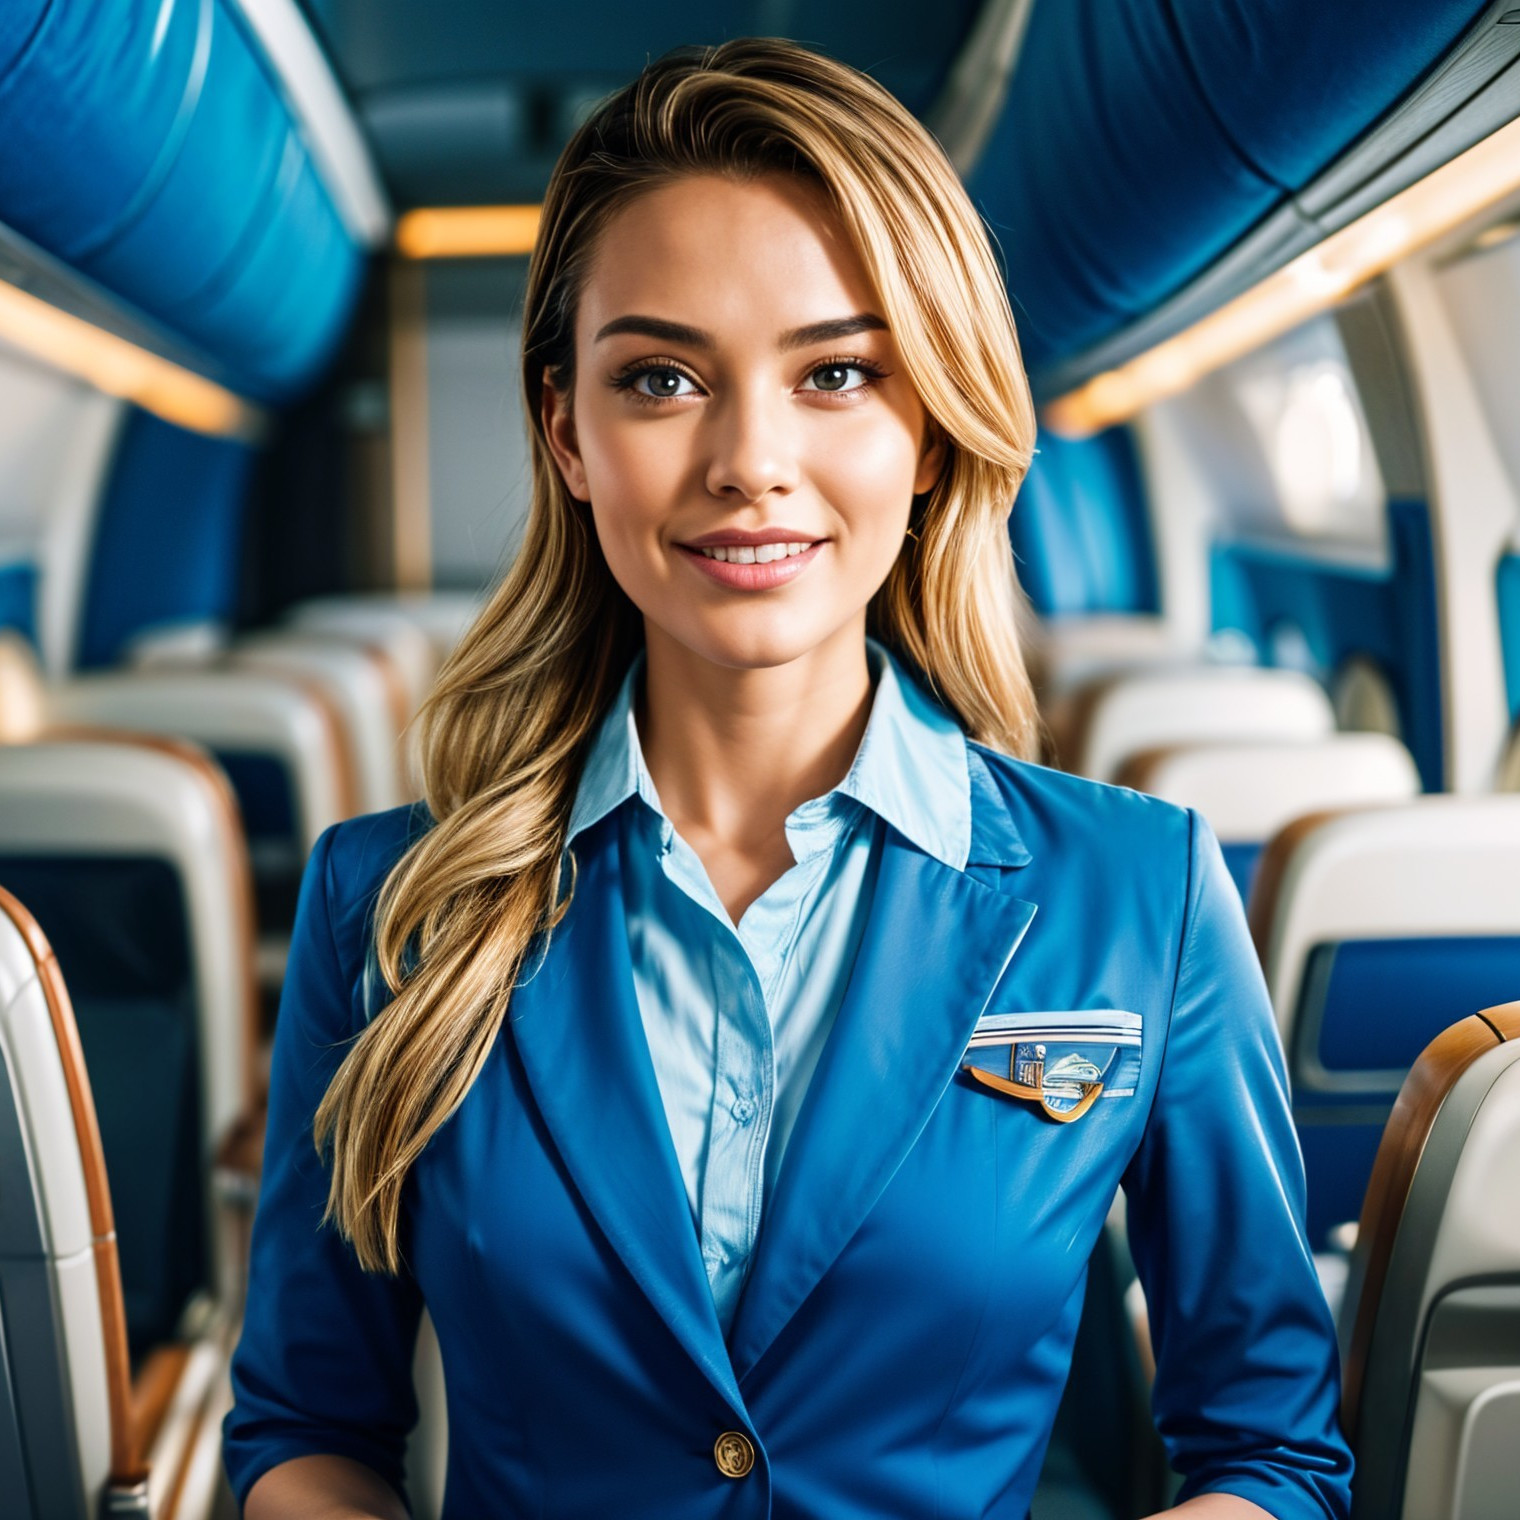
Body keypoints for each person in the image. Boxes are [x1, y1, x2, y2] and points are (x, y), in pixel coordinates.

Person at [223, 37, 1354, 1520]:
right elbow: (305, 1429)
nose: (751, 461)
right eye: (663, 378)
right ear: (567, 431)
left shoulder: (1136, 891)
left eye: (836, 373)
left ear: (933, 429)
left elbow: (1271, 1451)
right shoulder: (388, 909)